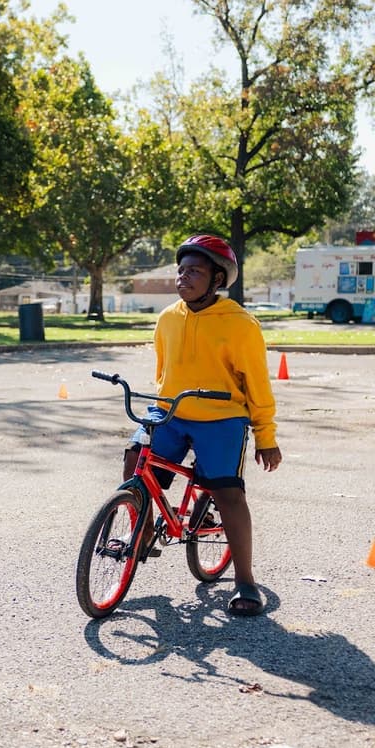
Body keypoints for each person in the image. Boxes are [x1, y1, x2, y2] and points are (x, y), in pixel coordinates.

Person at [122, 234, 281, 616]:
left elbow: (256, 383)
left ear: (218, 279)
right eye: (180, 270)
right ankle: (141, 529)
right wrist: (160, 409)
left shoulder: (241, 324)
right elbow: (164, 372)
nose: (183, 277)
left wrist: (266, 436)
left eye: (194, 271)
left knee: (228, 494)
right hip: (171, 412)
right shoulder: (167, 318)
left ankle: (245, 580)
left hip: (222, 419)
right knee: (134, 460)